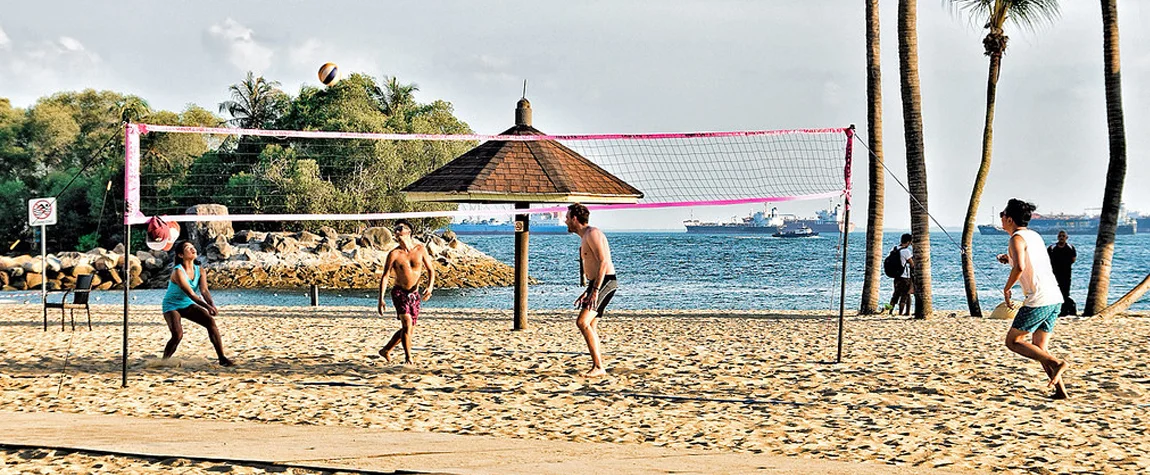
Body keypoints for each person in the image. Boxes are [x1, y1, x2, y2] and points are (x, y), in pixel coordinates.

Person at [996, 199, 1069, 399]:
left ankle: (1057, 363)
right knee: (1039, 348)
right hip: (1055, 297)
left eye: (1002, 214)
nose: (1000, 218)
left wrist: (1007, 288)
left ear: (1009, 219)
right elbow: (1026, 262)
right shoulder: (1034, 236)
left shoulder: (1016, 239)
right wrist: (1007, 258)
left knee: (1012, 341)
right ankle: (1061, 392)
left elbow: (1019, 268)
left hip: (1039, 299)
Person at [565, 203, 618, 377]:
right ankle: (598, 366)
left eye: (567, 217)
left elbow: (603, 262)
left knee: (582, 322)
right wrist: (588, 290)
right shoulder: (584, 237)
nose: (565, 221)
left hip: (605, 282)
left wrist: (595, 290)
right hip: (596, 283)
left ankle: (598, 367)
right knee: (591, 324)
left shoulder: (592, 233)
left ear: (574, 218)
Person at [161, 240, 233, 366]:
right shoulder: (178, 271)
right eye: (188, 248)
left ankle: (222, 358)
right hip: (172, 306)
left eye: (193, 247)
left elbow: (204, 291)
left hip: (187, 304)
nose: (192, 249)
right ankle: (163, 361)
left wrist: (212, 305)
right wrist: (207, 306)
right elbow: (191, 294)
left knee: (210, 322)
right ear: (180, 255)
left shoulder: (200, 270)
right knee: (177, 335)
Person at [377, 219, 435, 365]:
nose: (396, 231)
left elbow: (431, 270)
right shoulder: (394, 254)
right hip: (399, 293)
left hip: (414, 294)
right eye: (395, 229)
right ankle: (409, 359)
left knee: (408, 329)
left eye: (400, 228)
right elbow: (385, 276)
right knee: (407, 323)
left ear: (408, 231)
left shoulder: (420, 249)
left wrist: (430, 286)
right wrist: (381, 299)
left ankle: (386, 350)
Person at [1047, 230, 1077, 316]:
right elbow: (1046, 260)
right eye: (1060, 236)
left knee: (1065, 293)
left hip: (1066, 274)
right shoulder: (1052, 248)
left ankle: (1064, 310)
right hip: (1054, 275)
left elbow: (1073, 259)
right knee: (1054, 292)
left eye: (1063, 236)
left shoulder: (1070, 247)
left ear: (1066, 238)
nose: (1061, 237)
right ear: (1057, 237)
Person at [887, 233, 914, 316]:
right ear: (909, 241)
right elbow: (912, 264)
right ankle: (901, 313)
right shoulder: (906, 251)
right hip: (905, 276)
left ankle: (890, 312)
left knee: (895, 295)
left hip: (897, 276)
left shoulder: (895, 249)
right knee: (904, 295)